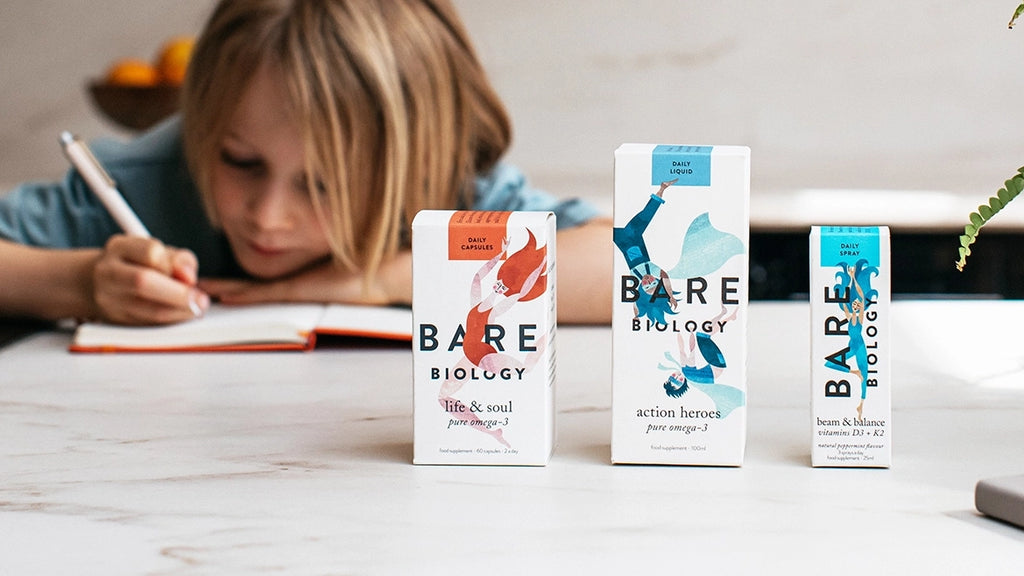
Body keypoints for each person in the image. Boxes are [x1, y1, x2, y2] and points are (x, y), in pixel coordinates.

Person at [0, 0, 612, 326]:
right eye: (240, 160)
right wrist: (83, 283)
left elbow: (627, 267)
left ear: (417, 164)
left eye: (325, 184)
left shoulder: (442, 190)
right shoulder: (159, 177)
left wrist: (386, 279)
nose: (268, 217)